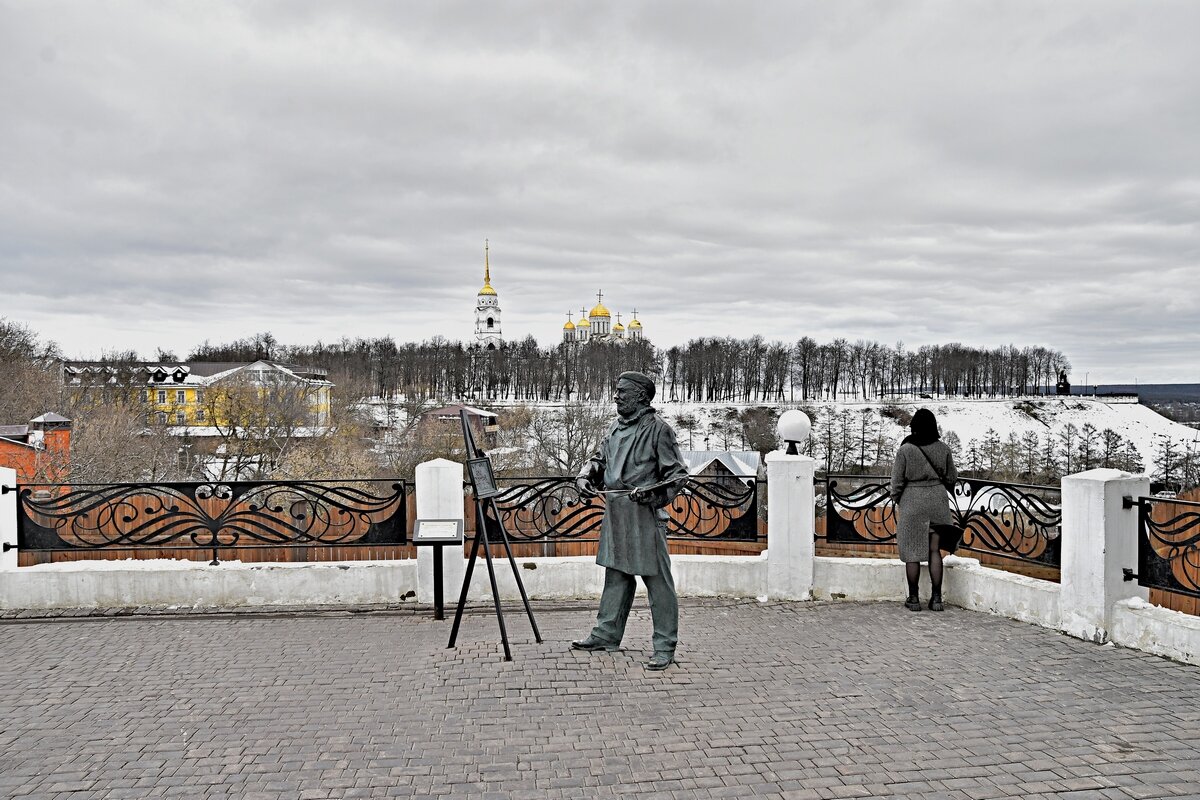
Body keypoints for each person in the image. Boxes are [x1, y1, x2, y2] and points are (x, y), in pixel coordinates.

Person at [571, 371, 689, 670]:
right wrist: (586, 474)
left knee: (658, 582)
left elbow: (677, 475)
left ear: (641, 396)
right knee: (616, 576)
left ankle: (665, 646)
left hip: (644, 514)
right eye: (616, 390)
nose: (616, 396)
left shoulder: (659, 430)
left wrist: (650, 493)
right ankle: (605, 635)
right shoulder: (614, 428)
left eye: (622, 391)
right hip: (616, 511)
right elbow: (599, 459)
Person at [889, 408, 958, 612]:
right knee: (935, 550)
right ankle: (937, 599)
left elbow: (897, 481)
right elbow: (952, 477)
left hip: (913, 502)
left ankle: (913, 599)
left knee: (911, 552)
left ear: (914, 427)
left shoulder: (906, 450)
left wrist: (899, 499)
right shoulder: (943, 448)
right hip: (937, 500)